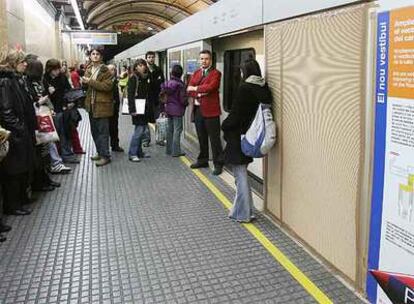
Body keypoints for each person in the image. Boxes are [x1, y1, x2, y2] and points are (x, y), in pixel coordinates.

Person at [222, 59, 272, 222]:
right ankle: (241, 210)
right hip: (252, 136)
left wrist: (225, 125)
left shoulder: (245, 88)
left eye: (242, 71)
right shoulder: (263, 87)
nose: (241, 74)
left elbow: (236, 114)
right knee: (241, 172)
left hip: (239, 135)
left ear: (247, 72)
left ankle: (244, 213)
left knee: (240, 174)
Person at [0, 48, 36, 216]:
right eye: (22, 61)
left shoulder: (15, 79)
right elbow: (7, 111)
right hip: (15, 133)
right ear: (14, 64)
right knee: (14, 170)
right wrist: (20, 129)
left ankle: (19, 200)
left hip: (19, 130)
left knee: (20, 167)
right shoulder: (7, 82)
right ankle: (13, 205)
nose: (25, 64)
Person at [25, 58, 61, 191]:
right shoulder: (28, 83)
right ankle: (40, 182)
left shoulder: (36, 82)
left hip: (42, 116)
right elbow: (31, 102)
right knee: (40, 152)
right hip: (36, 119)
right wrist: (40, 102)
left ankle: (46, 179)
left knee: (44, 151)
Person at [187, 50, 224, 175]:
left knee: (214, 139)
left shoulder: (216, 73)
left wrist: (196, 88)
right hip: (198, 111)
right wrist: (201, 91)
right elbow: (189, 89)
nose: (204, 61)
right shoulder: (196, 73)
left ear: (211, 60)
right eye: (202, 59)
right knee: (201, 137)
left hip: (211, 112)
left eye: (206, 59)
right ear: (199, 60)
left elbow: (211, 87)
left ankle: (218, 164)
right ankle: (203, 160)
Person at [43, 59, 79, 164]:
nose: (58, 71)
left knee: (65, 133)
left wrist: (71, 102)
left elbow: (68, 91)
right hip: (51, 111)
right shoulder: (44, 79)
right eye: (55, 69)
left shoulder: (62, 77)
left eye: (58, 69)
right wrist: (48, 93)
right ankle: (56, 157)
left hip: (63, 109)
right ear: (50, 69)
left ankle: (67, 154)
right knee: (54, 135)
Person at [82, 47, 113, 167]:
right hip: (91, 105)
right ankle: (100, 152)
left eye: (97, 54)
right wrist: (84, 83)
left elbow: (107, 87)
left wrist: (89, 82)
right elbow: (87, 87)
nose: (95, 56)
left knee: (103, 132)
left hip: (102, 106)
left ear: (101, 57)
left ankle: (105, 156)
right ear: (90, 56)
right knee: (94, 131)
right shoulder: (89, 69)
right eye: (93, 54)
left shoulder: (106, 71)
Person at [127, 59, 151, 162]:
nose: (142, 67)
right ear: (136, 67)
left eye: (143, 65)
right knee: (139, 131)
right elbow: (130, 95)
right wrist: (132, 109)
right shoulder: (133, 78)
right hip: (137, 108)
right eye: (140, 65)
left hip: (144, 107)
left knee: (141, 131)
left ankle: (139, 152)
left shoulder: (145, 78)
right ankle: (132, 154)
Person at [161, 65, 186, 157]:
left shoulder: (167, 83)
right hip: (178, 110)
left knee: (170, 129)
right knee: (177, 130)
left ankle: (169, 150)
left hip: (168, 109)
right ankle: (176, 151)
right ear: (181, 74)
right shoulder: (180, 85)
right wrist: (187, 102)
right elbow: (183, 99)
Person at [144, 51, 164, 146]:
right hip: (146, 99)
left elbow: (162, 83)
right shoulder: (143, 70)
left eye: (152, 57)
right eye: (149, 57)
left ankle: (159, 139)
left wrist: (151, 82)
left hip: (156, 99)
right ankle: (146, 140)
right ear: (146, 58)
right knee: (145, 120)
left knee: (158, 119)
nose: (151, 59)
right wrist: (155, 81)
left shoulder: (158, 69)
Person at [107, 64, 124, 152]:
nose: (112, 71)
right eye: (110, 70)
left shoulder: (114, 80)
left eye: (113, 69)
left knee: (114, 127)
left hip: (115, 108)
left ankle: (115, 145)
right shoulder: (106, 81)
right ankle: (105, 148)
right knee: (107, 129)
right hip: (107, 108)